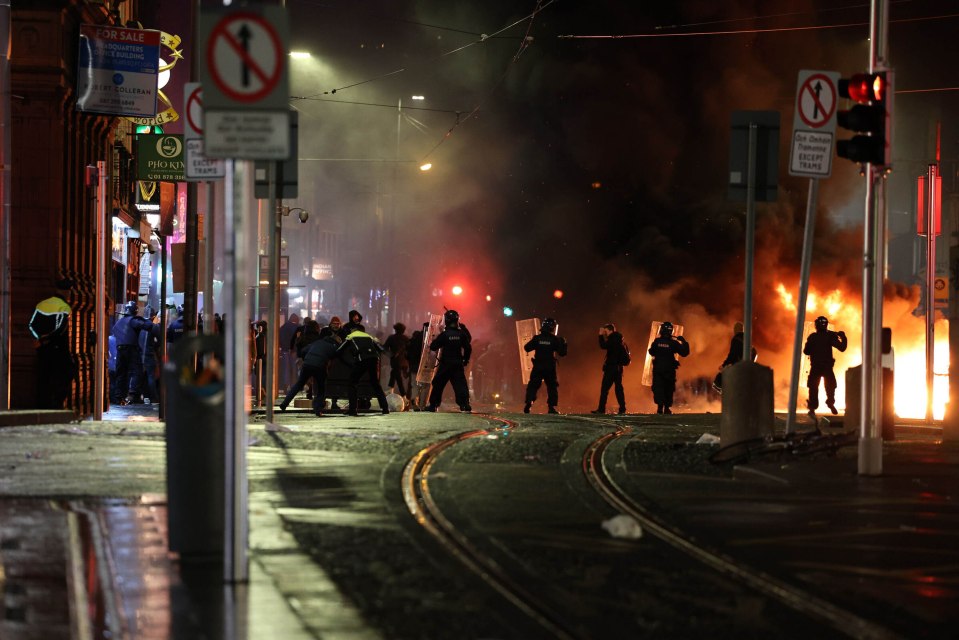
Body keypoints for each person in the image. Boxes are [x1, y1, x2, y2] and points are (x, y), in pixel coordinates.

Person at [28, 278, 75, 409]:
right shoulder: (64, 307)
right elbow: (60, 329)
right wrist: (46, 339)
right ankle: (56, 406)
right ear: (67, 292)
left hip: (42, 350)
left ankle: (42, 406)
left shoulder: (41, 305)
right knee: (66, 374)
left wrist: (38, 339)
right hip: (59, 349)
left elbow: (31, 325)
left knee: (43, 378)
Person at [278, 334, 340, 416]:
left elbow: (303, 351)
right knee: (321, 388)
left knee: (298, 384)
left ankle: (284, 404)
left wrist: (306, 358)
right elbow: (336, 356)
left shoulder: (317, 342)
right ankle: (317, 410)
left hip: (307, 364)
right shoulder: (332, 347)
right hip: (320, 367)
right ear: (336, 342)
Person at [425, 310, 472, 413]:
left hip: (446, 364)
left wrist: (436, 335)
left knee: (437, 384)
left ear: (446, 320)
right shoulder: (461, 334)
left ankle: (433, 405)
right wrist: (465, 359)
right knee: (460, 385)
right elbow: (468, 348)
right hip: (457, 364)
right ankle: (465, 405)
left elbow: (433, 346)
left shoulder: (445, 335)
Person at [337, 327, 390, 416]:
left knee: (352, 383)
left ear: (353, 330)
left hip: (362, 359)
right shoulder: (368, 336)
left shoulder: (351, 336)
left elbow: (339, 350)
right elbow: (381, 348)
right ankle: (385, 408)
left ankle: (352, 410)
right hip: (374, 359)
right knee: (375, 383)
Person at [803, 315, 848, 420]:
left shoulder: (813, 337)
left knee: (813, 387)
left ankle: (812, 408)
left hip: (815, 367)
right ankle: (830, 402)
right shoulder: (829, 336)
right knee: (830, 386)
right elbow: (842, 348)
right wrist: (843, 337)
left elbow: (806, 351)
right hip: (827, 367)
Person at [523, 317, 568, 414]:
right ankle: (551, 408)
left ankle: (529, 403)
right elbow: (562, 353)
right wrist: (564, 343)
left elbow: (526, 348)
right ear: (552, 327)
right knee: (552, 386)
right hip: (549, 368)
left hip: (538, 366)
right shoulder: (555, 340)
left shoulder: (537, 338)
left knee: (533, 386)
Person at [111, 301, 151, 405]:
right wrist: (146, 320)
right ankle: (133, 394)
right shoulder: (133, 320)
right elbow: (147, 326)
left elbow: (114, 331)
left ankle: (118, 396)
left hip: (120, 350)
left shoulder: (119, 322)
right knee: (136, 371)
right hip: (131, 349)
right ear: (135, 311)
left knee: (121, 373)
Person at [648, 321, 690, 414]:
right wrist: (684, 342)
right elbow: (685, 353)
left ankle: (659, 408)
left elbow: (651, 352)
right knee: (668, 388)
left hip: (658, 370)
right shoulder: (674, 343)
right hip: (669, 370)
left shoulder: (657, 341)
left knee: (658, 387)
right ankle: (666, 408)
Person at [592, 323, 629, 415]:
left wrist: (600, 335)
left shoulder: (613, 339)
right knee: (618, 389)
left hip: (611, 368)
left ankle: (601, 409)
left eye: (606, 331)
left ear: (610, 330)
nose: (605, 333)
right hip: (619, 369)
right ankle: (622, 408)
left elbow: (603, 346)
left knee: (604, 389)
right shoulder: (620, 340)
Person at [712, 321, 757, 394]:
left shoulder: (736, 339)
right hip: (745, 369)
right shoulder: (747, 339)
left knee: (719, 381)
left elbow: (732, 355)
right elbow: (754, 352)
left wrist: (724, 365)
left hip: (737, 368)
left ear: (736, 330)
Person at [139, 306, 162, 404]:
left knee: (142, 377)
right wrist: (155, 345)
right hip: (149, 354)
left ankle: (145, 397)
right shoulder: (154, 327)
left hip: (140, 355)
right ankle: (153, 398)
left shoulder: (139, 325)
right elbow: (161, 340)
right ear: (153, 316)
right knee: (151, 377)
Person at [383, 323, 411, 400]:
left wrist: (391, 355)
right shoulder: (406, 338)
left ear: (395, 329)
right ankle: (390, 389)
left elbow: (384, 348)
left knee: (398, 378)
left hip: (395, 361)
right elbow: (410, 349)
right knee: (394, 374)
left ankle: (403, 396)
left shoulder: (391, 338)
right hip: (405, 361)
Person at [277, 313, 300, 392]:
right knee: (294, 369)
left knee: (285, 369)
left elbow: (280, 339)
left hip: (284, 351)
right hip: (293, 351)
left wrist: (283, 347)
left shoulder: (283, 327)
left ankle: (285, 386)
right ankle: (293, 386)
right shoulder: (297, 328)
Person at [407, 324, 427, 411]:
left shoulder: (414, 339)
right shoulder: (429, 339)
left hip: (414, 365)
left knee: (414, 385)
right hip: (425, 366)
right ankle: (422, 404)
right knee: (425, 386)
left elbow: (407, 352)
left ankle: (414, 403)